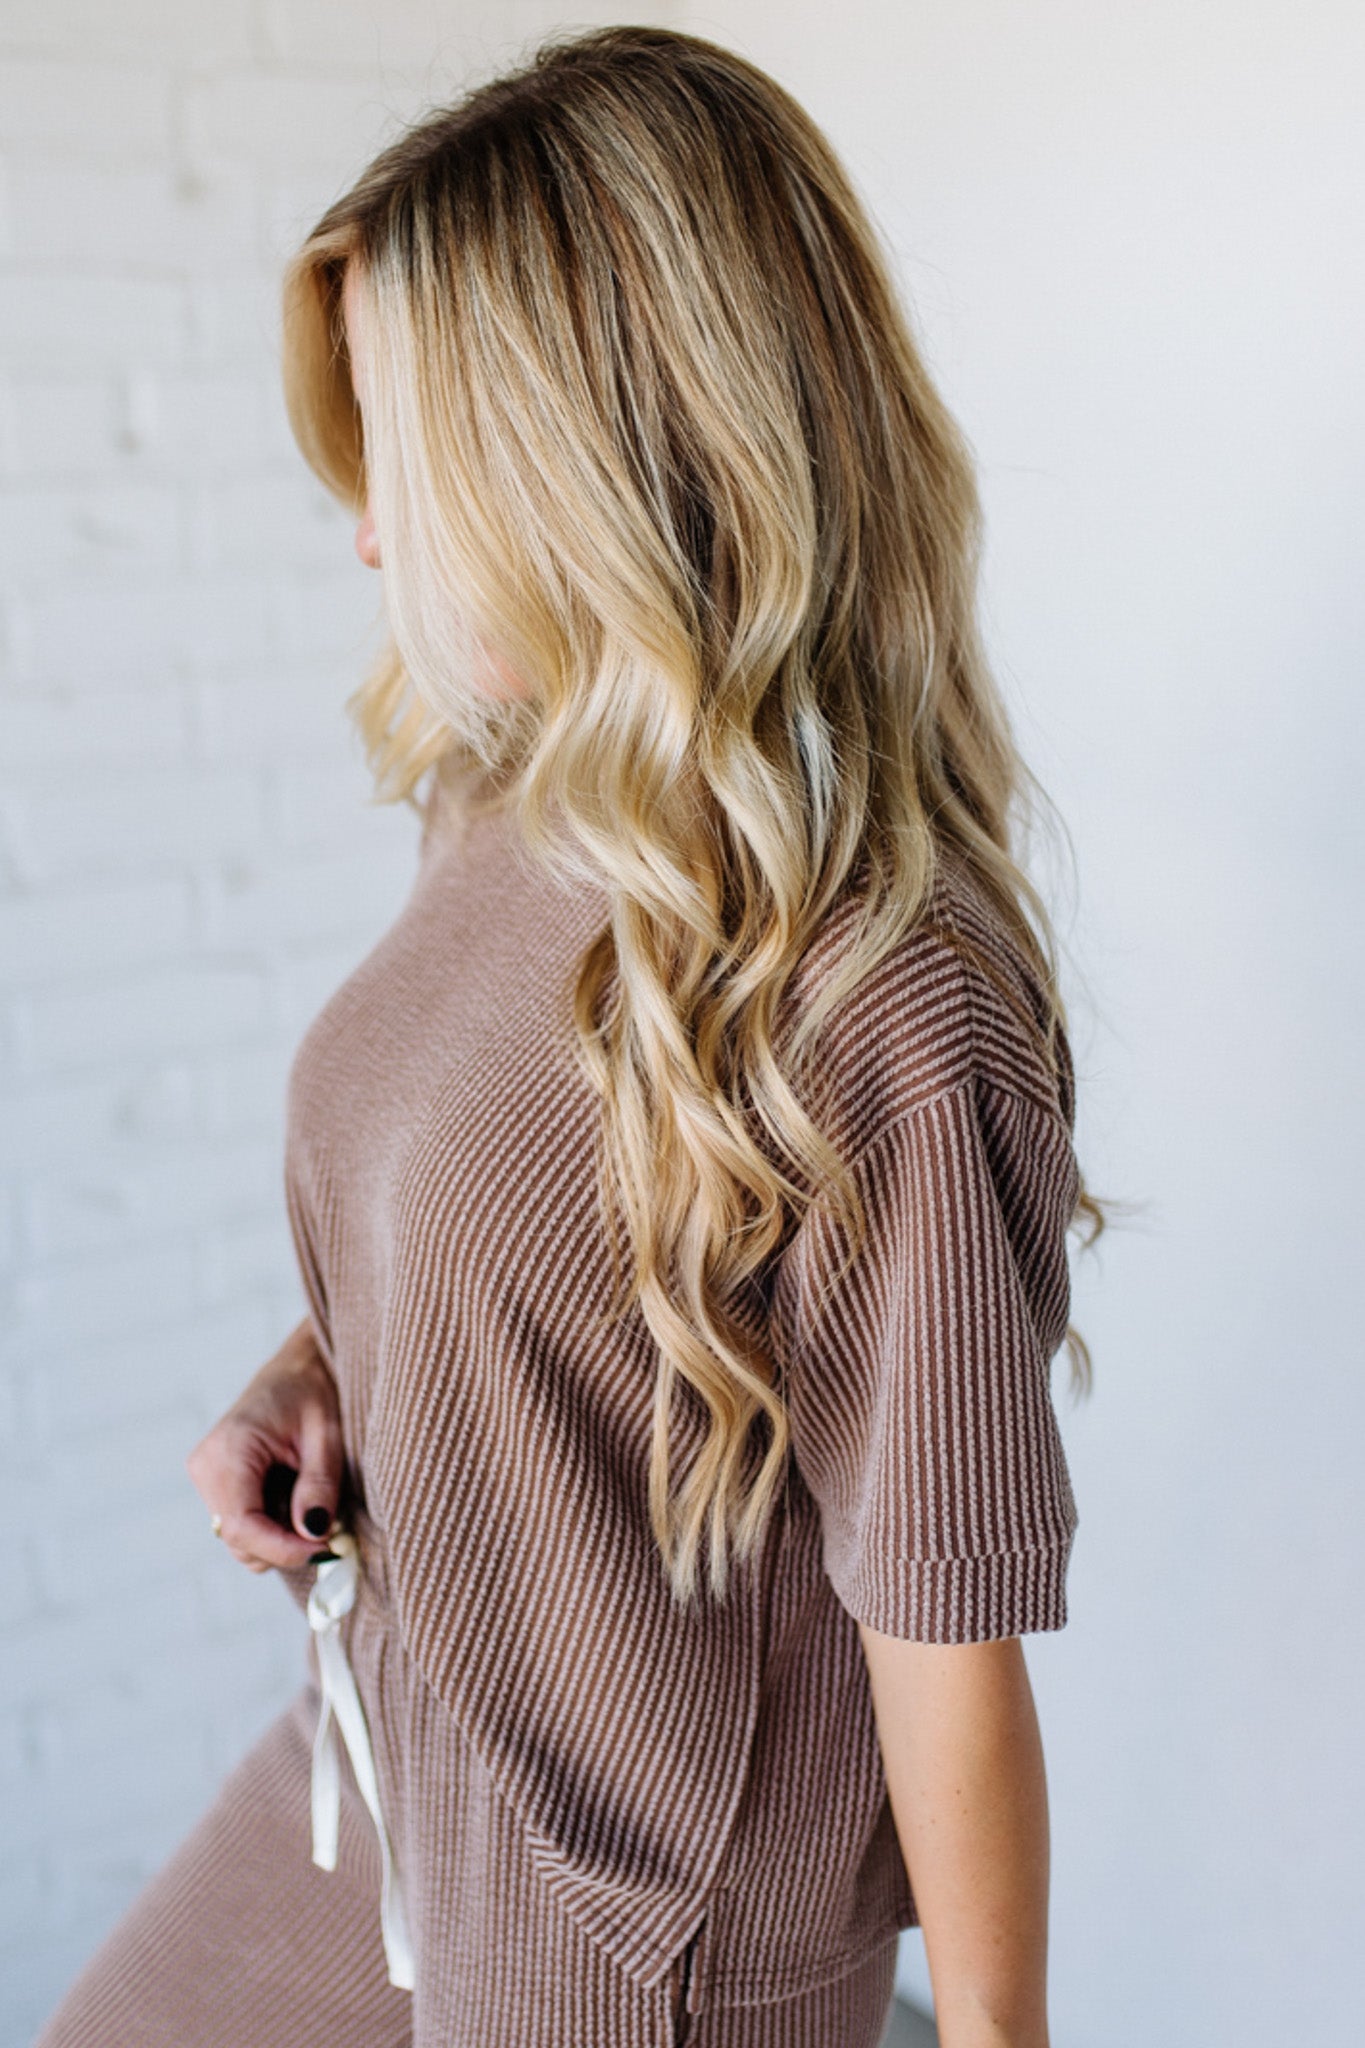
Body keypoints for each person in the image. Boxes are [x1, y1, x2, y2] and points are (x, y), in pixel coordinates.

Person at [33, 25, 1108, 2048]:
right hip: (387, 1757)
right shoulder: (509, 801)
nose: (365, 537)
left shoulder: (877, 983)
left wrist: (992, 2034)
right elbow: (504, 1204)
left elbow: (938, 1612)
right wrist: (314, 1376)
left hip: (637, 1926)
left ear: (591, 457)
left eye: (403, 461)